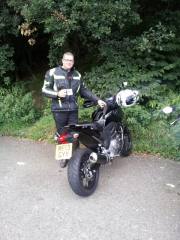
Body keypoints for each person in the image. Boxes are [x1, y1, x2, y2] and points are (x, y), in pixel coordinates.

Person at [42, 52, 106, 167]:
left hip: (73, 110)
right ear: (62, 60)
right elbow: (44, 90)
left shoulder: (77, 75)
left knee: (74, 133)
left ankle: (75, 155)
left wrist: (97, 100)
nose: (69, 62)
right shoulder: (52, 73)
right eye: (67, 60)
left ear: (73, 62)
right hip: (59, 110)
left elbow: (84, 91)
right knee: (62, 134)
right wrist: (57, 94)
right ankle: (63, 157)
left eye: (71, 60)